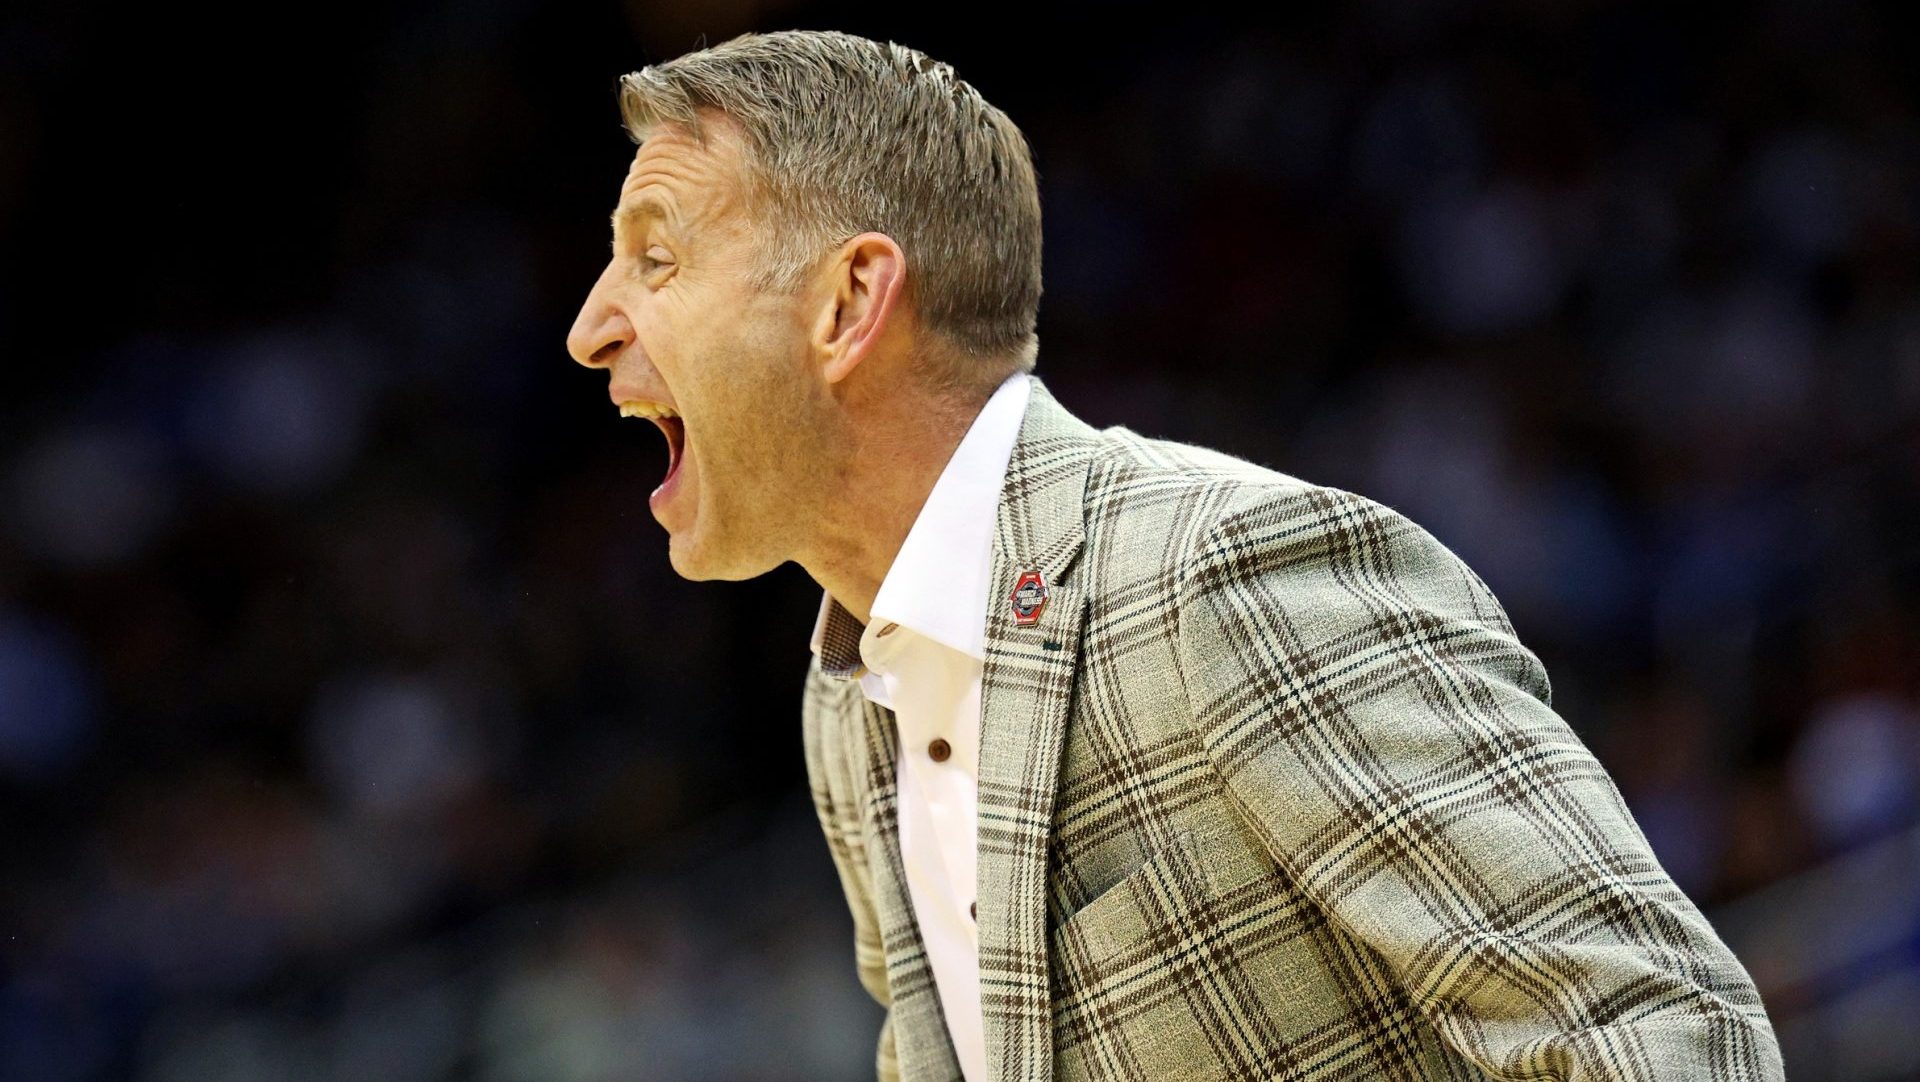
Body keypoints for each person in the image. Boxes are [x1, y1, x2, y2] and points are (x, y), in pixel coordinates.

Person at [564, 28, 1785, 1082]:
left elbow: (1666, 1028)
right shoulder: (849, 700)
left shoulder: (1223, 574)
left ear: (847, 305)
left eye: (657, 257)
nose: (589, 328)